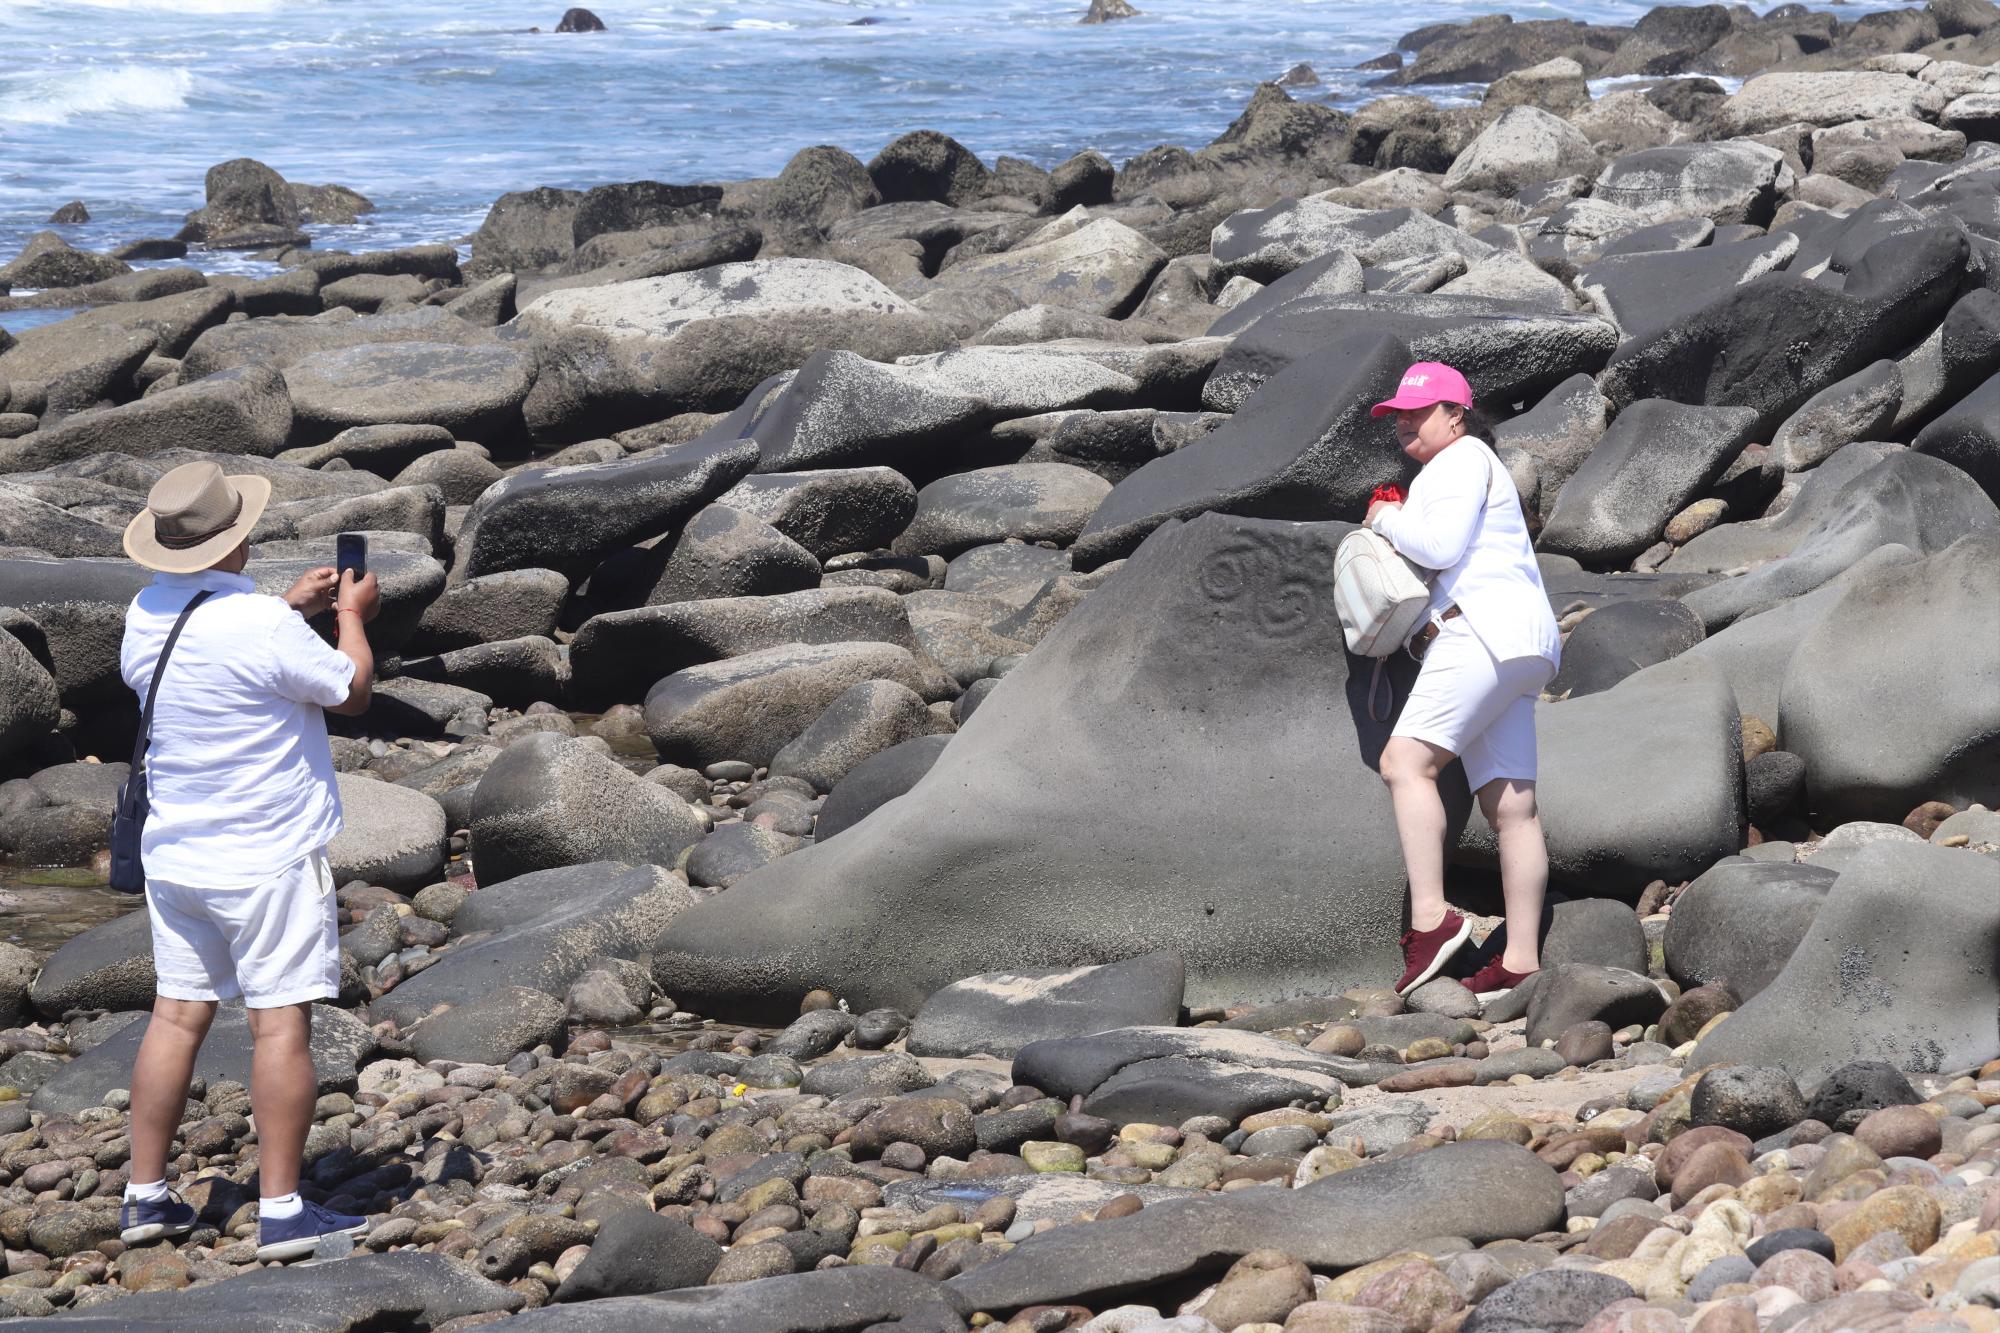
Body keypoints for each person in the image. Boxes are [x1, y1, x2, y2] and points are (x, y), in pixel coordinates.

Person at [115, 460, 383, 1261]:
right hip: (267, 854)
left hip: (177, 853)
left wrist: (291, 607)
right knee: (279, 1025)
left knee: (175, 1014)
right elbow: (352, 690)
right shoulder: (261, 626)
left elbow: (218, 654)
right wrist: (351, 616)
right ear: (241, 535)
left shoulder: (143, 610)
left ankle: (144, 1196)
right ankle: (282, 1210)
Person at [1362, 363, 1561, 1001]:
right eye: (1397, 416)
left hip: (1476, 631)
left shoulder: (1459, 459)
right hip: (1526, 642)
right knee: (1511, 808)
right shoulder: (1476, 464)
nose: (1403, 425)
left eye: (1417, 412)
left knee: (1404, 763)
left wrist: (1383, 517)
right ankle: (1522, 959)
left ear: (1457, 414)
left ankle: (1431, 919)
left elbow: (1440, 545)